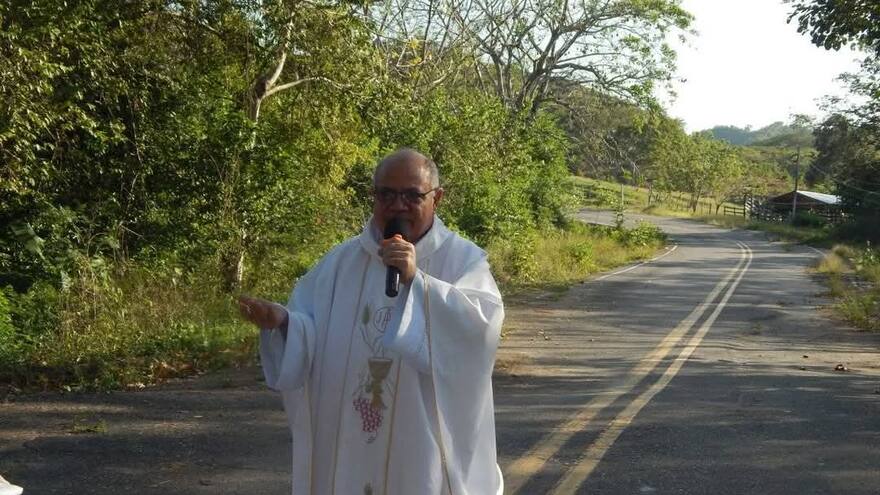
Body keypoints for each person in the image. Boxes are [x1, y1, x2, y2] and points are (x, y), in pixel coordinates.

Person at [238, 148, 504, 494]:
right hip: (349, 436)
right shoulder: (341, 262)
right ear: (373, 196)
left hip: (418, 442)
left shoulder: (462, 260)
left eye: (412, 195)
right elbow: (312, 329)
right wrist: (285, 322)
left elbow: (479, 332)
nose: (398, 206)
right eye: (386, 195)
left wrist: (417, 282)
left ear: (436, 198)